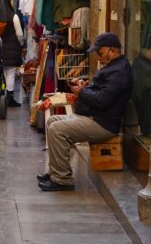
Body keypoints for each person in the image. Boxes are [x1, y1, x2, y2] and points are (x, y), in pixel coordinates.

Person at [37, 32, 132, 191]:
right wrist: (85, 87)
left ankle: (62, 179)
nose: (98, 57)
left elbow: (102, 100)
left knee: (57, 129)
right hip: (94, 117)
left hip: (102, 123)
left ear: (112, 51)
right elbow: (101, 92)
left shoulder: (119, 72)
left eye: (100, 53)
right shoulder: (114, 68)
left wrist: (81, 92)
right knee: (52, 121)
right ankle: (56, 171)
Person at [1, 0, 24, 108]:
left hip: (1, 48)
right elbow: (19, 33)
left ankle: (3, 96)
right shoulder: (14, 16)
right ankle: (9, 98)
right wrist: (21, 44)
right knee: (11, 73)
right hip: (13, 47)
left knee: (4, 71)